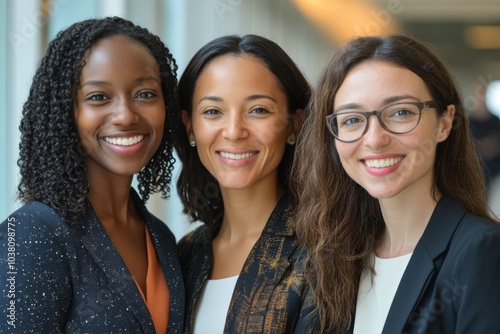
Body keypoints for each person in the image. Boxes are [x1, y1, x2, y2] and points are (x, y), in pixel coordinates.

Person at [292, 34, 500, 334]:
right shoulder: (337, 257)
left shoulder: (481, 252)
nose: (375, 139)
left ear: (444, 122)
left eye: (401, 112)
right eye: (352, 119)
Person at [0, 17, 184, 333]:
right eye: (98, 97)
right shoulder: (32, 233)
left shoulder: (161, 237)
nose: (126, 115)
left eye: (145, 94)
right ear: (65, 112)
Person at [174, 34, 316, 333]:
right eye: (213, 111)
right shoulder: (184, 254)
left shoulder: (325, 246)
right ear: (190, 127)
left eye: (258, 110)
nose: (234, 131)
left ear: (295, 124)